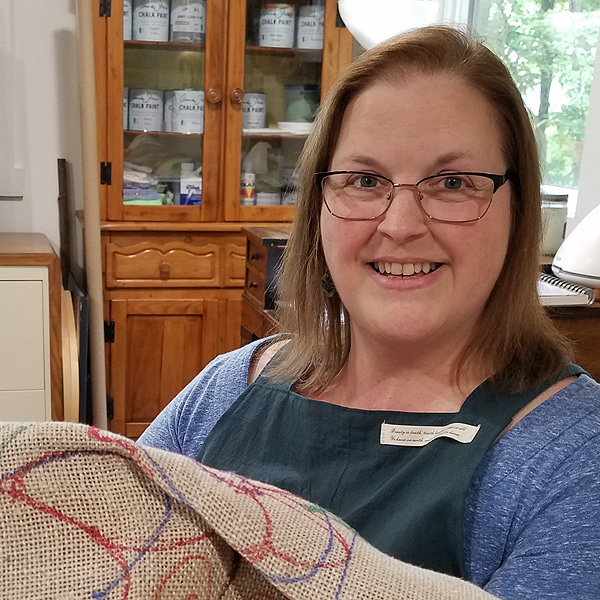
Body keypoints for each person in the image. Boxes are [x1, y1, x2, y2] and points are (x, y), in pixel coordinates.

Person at [139, 26, 600, 598]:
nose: (400, 225)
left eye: (453, 182)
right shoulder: (224, 391)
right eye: (364, 180)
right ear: (318, 205)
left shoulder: (573, 460)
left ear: (518, 207)